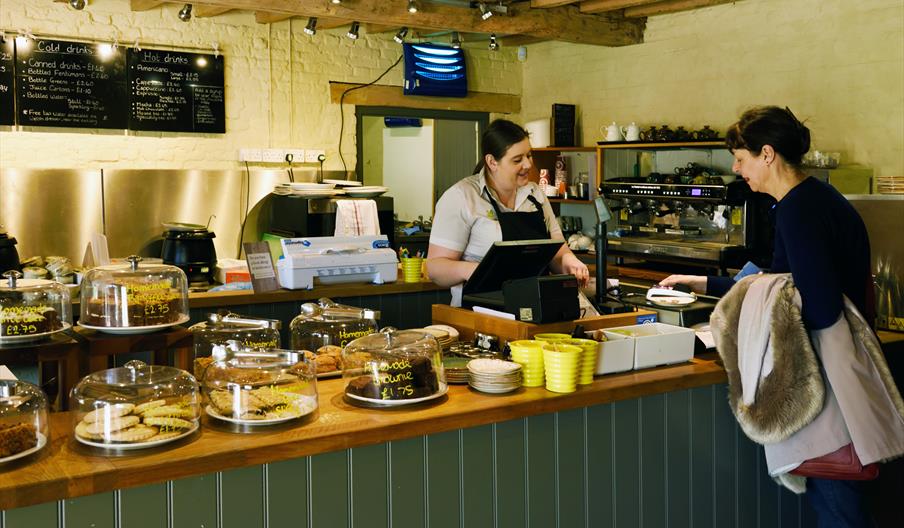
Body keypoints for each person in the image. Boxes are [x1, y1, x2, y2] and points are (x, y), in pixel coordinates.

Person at [661, 106, 877, 526]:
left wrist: (760, 323)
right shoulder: (809, 199)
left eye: (740, 160)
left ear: (767, 154)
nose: (738, 170)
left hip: (828, 379)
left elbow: (819, 305)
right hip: (838, 367)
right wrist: (700, 282)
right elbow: (780, 280)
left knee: (837, 509)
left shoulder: (799, 209)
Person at [427, 119, 589, 307]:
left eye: (529, 155)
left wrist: (570, 261)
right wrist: (474, 270)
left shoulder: (535, 195)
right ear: (492, 162)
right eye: (517, 160)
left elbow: (557, 252)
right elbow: (435, 268)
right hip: (481, 312)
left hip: (537, 307)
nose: (528, 165)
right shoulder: (461, 197)